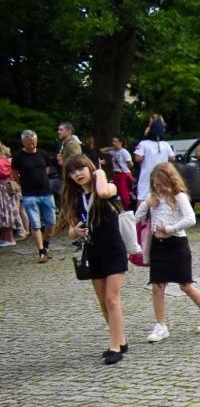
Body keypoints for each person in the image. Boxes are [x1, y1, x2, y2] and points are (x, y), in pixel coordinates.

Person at [136, 162, 200, 341]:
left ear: (169, 181)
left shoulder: (179, 197)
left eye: (160, 184)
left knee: (186, 285)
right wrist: (146, 205)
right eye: (155, 185)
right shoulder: (153, 199)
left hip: (176, 244)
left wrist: (170, 228)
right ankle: (160, 325)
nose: (158, 188)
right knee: (157, 286)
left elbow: (191, 219)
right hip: (158, 246)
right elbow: (138, 219)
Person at [57, 155, 128, 363]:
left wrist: (99, 173)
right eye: (72, 171)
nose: (77, 174)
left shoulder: (108, 187)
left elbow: (104, 191)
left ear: (90, 169)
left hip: (114, 249)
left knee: (111, 299)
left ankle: (114, 347)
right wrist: (76, 231)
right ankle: (121, 339)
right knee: (103, 302)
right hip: (94, 252)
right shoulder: (76, 198)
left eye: (81, 168)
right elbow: (70, 230)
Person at [14, 130, 56, 263]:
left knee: (51, 222)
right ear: (23, 143)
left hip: (46, 192)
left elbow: (47, 169)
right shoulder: (18, 156)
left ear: (36, 141)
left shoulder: (43, 154)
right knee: (35, 223)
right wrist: (22, 184)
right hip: (29, 194)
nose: (31, 146)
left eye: (33, 143)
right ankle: (41, 251)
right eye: (28, 144)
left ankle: (46, 244)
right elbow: (14, 174)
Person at [133, 124, 175, 202]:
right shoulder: (166, 144)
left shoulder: (143, 144)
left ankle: (142, 214)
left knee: (143, 198)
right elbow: (172, 158)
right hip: (162, 175)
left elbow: (138, 159)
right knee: (163, 196)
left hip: (147, 176)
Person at [0, 142, 26, 247]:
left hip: (2, 189)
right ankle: (9, 237)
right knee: (10, 211)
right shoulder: (9, 160)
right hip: (10, 187)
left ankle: (8, 238)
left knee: (4, 213)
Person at [106, 135, 135, 206]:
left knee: (124, 192)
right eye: (113, 141)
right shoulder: (114, 152)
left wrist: (125, 168)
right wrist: (113, 147)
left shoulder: (124, 152)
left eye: (116, 141)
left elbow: (130, 164)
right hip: (116, 174)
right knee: (117, 192)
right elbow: (102, 150)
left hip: (123, 174)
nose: (114, 143)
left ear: (121, 142)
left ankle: (127, 208)